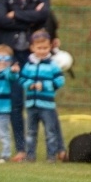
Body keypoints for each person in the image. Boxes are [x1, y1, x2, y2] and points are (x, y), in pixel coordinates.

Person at [0, 0, 51, 163]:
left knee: (42, 101)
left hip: (35, 53)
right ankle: (21, 148)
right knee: (16, 102)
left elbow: (44, 15)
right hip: (12, 54)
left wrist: (16, 14)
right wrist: (31, 16)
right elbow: (0, 19)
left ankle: (52, 147)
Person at [19, 30, 65, 162]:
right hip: (31, 104)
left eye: (45, 48)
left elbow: (60, 81)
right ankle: (30, 155)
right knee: (31, 132)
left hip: (47, 105)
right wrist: (30, 84)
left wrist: (44, 85)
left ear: (50, 47)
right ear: (32, 48)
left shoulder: (52, 65)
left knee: (50, 132)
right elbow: (21, 79)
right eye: (39, 48)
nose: (42, 51)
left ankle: (51, 155)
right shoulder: (28, 65)